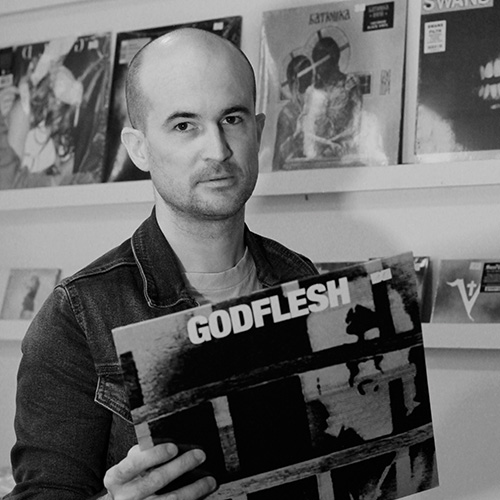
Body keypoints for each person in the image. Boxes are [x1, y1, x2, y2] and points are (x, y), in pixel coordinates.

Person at [6, 28, 318, 499]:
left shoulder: (302, 278)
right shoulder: (78, 316)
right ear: (139, 148)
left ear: (256, 129)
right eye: (184, 125)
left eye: (232, 118)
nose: (218, 149)